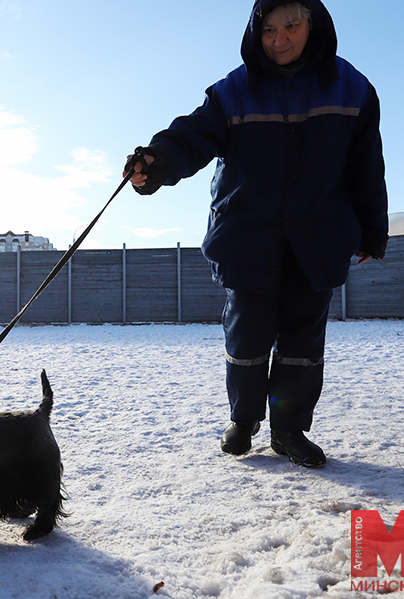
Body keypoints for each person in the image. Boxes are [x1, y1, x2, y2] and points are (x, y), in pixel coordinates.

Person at [124, 0, 388, 467]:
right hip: (248, 239)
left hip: (317, 240)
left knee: (302, 345)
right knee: (247, 338)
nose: (279, 39)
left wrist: (372, 230)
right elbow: (193, 135)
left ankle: (288, 430)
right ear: (255, 31)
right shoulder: (235, 91)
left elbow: (365, 167)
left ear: (315, 25)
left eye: (291, 26)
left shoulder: (352, 89)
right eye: (268, 30)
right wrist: (157, 161)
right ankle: (243, 421)